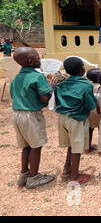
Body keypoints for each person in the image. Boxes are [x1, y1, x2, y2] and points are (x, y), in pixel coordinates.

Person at [10, 47, 56, 189]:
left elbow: (14, 94)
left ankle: (24, 173)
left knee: (26, 146)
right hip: (31, 115)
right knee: (36, 146)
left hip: (17, 114)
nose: (40, 59)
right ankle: (33, 177)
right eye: (37, 57)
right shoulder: (38, 77)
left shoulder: (17, 77)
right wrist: (51, 87)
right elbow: (44, 99)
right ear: (30, 61)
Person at [54, 57, 97, 184]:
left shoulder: (60, 85)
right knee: (77, 148)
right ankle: (74, 176)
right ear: (83, 69)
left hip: (62, 118)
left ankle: (67, 168)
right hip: (76, 119)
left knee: (70, 145)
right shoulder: (86, 85)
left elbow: (57, 101)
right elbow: (91, 105)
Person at [86, 68, 101, 153]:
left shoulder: (88, 85)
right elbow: (100, 98)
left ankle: (88, 146)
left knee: (90, 129)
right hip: (99, 111)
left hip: (89, 111)